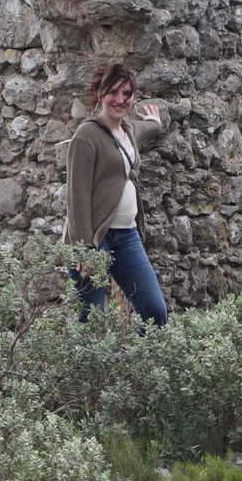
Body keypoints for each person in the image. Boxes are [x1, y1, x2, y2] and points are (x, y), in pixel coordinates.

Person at [64, 62, 168, 327]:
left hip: (127, 236)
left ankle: (142, 368)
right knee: (90, 322)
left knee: (155, 312)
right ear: (101, 94)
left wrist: (155, 123)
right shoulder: (86, 136)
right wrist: (85, 250)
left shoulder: (128, 129)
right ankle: (86, 370)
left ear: (134, 98)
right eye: (113, 92)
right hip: (96, 239)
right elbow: (76, 197)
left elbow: (143, 131)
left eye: (127, 94)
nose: (120, 100)